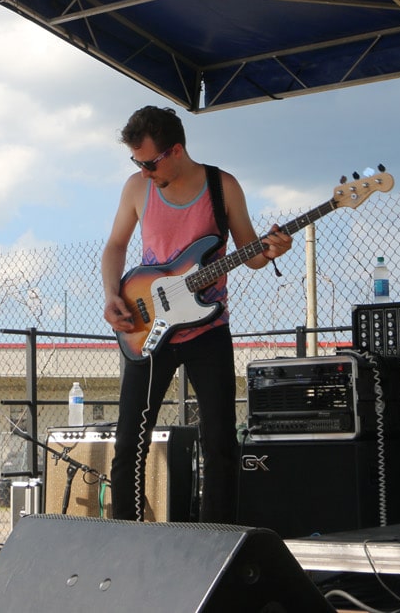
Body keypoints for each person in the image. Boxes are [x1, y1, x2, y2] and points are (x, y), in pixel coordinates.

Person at [101, 105, 291, 523]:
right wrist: (112, 295)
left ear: (176, 150)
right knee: (129, 442)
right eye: (137, 162)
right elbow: (115, 245)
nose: (144, 171)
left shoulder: (223, 187)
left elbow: (251, 254)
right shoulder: (136, 188)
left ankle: (216, 538)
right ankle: (125, 535)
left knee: (220, 442)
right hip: (147, 327)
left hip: (209, 331)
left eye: (150, 163)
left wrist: (272, 249)